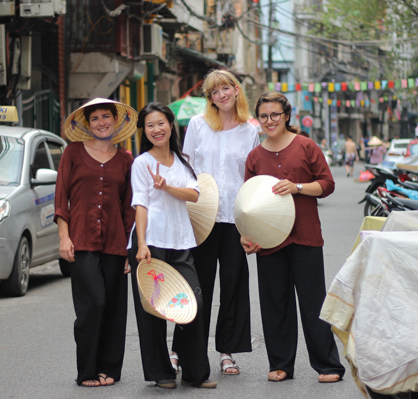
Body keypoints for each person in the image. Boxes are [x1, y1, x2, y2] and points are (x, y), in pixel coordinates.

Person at [241, 92, 345, 383]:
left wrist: (297, 187)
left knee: (313, 304)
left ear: (287, 115)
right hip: (269, 242)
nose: (269, 121)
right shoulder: (255, 156)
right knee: (275, 304)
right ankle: (280, 364)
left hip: (305, 236)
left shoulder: (306, 146)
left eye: (275, 114)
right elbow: (249, 203)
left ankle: (328, 365)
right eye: (263, 116)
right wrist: (245, 236)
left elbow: (327, 184)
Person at [174, 69, 258, 375]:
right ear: (209, 98)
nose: (220, 95)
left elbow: (252, 177)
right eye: (214, 92)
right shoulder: (197, 125)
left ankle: (226, 351)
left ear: (236, 90)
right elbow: (186, 169)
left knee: (233, 285)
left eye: (225, 88)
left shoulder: (249, 130)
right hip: (202, 217)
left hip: (235, 219)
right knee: (197, 286)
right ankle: (182, 351)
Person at [128, 102, 216, 389]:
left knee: (194, 304)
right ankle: (161, 373)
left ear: (170, 125)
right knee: (152, 310)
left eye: (161, 123)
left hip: (180, 243)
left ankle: (195, 373)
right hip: (150, 243)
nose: (156, 129)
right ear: (145, 130)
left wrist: (166, 187)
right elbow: (140, 204)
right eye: (150, 125)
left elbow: (193, 194)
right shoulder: (141, 163)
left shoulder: (182, 161)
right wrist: (140, 244)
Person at [54, 98, 137, 388]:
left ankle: (110, 368)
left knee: (114, 307)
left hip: (116, 242)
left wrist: (130, 249)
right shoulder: (73, 152)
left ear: (116, 120)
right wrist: (64, 237)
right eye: (95, 118)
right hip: (82, 241)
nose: (101, 122)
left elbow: (129, 207)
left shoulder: (126, 160)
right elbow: (61, 197)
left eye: (106, 117)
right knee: (93, 304)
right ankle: (87, 370)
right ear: (87, 125)